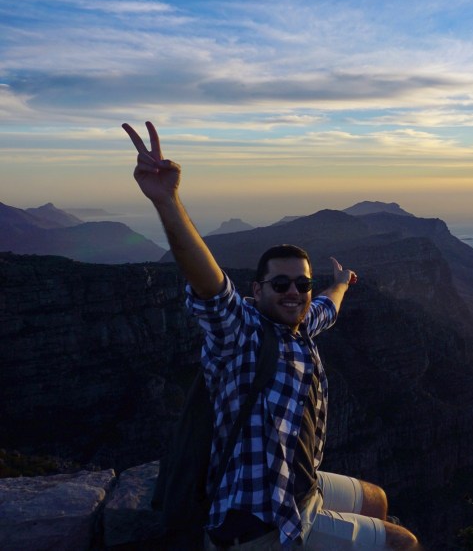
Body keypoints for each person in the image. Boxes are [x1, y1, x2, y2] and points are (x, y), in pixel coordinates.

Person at [123, 122, 420, 551]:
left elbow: (325, 309)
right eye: (281, 285)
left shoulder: (297, 328)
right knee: (404, 544)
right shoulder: (241, 335)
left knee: (377, 500)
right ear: (256, 291)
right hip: (261, 521)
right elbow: (210, 286)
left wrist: (340, 282)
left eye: (302, 284)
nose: (294, 292)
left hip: (299, 485)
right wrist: (168, 202)